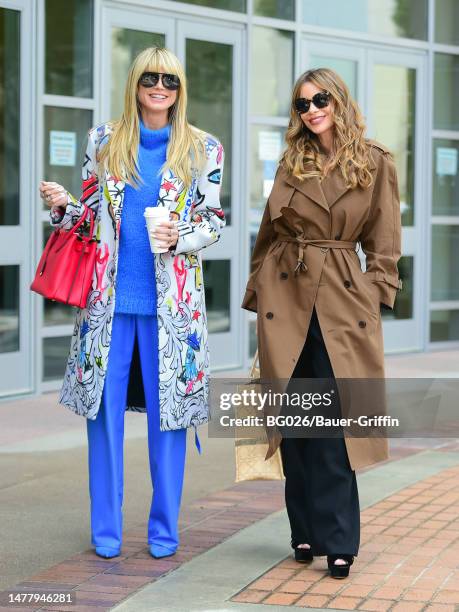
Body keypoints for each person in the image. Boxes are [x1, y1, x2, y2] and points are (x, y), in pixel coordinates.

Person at [39, 47, 225, 560]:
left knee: (169, 423)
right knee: (103, 421)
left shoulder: (204, 148)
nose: (159, 85)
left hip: (174, 311)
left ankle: (164, 532)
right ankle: (107, 532)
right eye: (150, 77)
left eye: (169, 78)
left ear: (179, 87)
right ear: (135, 83)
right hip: (107, 306)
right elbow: (89, 216)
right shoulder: (103, 140)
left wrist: (179, 232)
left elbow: (214, 222)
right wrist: (62, 207)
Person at [242, 67, 402, 579]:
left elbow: (385, 241)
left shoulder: (374, 161)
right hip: (288, 298)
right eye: (302, 104)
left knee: (335, 426)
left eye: (320, 98)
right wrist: (259, 289)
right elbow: (268, 232)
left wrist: (373, 296)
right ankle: (304, 530)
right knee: (296, 424)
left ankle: (339, 539)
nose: (312, 109)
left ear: (339, 99)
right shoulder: (292, 160)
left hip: (341, 300)